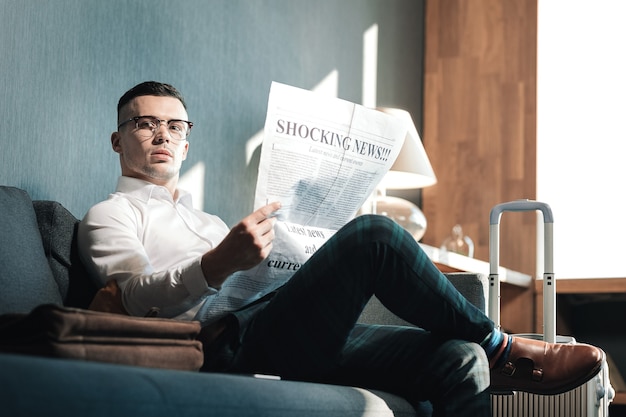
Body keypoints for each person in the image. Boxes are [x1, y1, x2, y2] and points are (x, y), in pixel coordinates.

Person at [78, 81, 604, 416]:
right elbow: (127, 301)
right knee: (375, 235)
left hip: (283, 324)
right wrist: (217, 265)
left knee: (459, 359)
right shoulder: (109, 216)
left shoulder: (211, 219)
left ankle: (484, 349)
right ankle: (506, 348)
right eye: (144, 124)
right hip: (224, 342)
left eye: (174, 125)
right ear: (117, 140)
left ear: (188, 142)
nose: (161, 134)